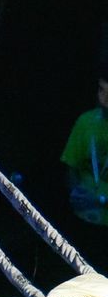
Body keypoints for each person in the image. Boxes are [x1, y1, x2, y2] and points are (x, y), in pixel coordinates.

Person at [62, 69, 108, 227]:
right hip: (84, 217)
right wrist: (75, 192)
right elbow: (71, 166)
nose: (105, 98)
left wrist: (101, 200)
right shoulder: (86, 121)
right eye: (102, 90)